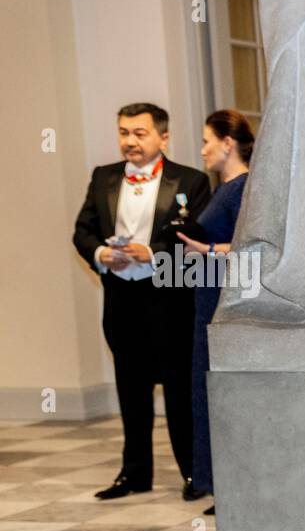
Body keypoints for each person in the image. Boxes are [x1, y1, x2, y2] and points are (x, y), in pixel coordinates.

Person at [72, 103, 212, 500]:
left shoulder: (191, 180)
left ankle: (193, 474)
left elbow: (195, 240)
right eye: (123, 132)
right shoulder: (103, 177)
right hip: (121, 298)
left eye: (139, 133)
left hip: (168, 298)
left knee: (179, 389)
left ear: (162, 137)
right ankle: (134, 473)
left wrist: (150, 252)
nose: (129, 141)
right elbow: (82, 231)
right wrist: (102, 254)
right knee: (130, 385)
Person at [176, 110, 254, 516]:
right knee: (208, 393)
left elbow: (251, 248)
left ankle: (232, 486)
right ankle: (221, 485)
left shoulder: (242, 188)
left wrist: (205, 250)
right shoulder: (222, 189)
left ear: (227, 143)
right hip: (208, 299)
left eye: (207, 140)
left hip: (225, 301)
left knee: (223, 396)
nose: (202, 148)